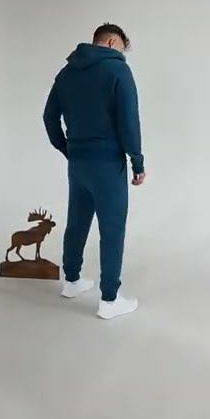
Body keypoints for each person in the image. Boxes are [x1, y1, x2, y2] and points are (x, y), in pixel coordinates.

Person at [41, 23, 145, 320]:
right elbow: (129, 121)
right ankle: (109, 299)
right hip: (108, 164)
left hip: (78, 163)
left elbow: (49, 117)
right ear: (111, 42)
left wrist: (68, 148)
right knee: (112, 229)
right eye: (122, 50)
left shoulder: (66, 73)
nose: (122, 56)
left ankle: (72, 281)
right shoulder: (118, 71)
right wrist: (137, 162)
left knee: (77, 221)